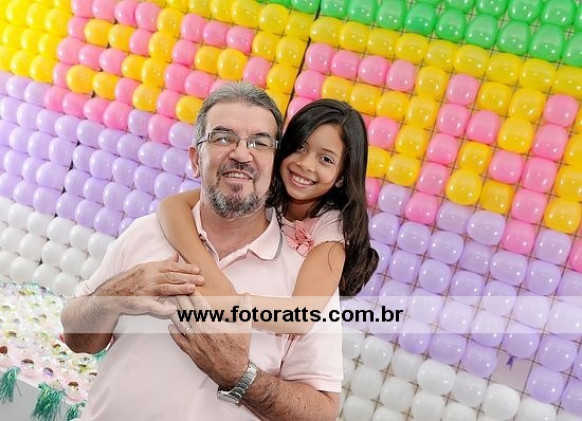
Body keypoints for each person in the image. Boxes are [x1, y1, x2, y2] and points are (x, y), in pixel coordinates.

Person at [61, 82, 343, 420]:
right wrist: (115, 295)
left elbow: (322, 413)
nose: (241, 154)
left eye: (259, 142)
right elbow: (76, 337)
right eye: (223, 138)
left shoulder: (307, 277)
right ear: (196, 159)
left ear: (274, 163)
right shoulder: (147, 231)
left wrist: (240, 376)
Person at [158, 98, 379, 333]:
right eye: (300, 147)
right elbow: (172, 206)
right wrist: (211, 276)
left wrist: (203, 298)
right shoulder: (266, 184)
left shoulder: (332, 227)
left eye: (326, 159)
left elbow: (300, 317)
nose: (306, 164)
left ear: (342, 176)